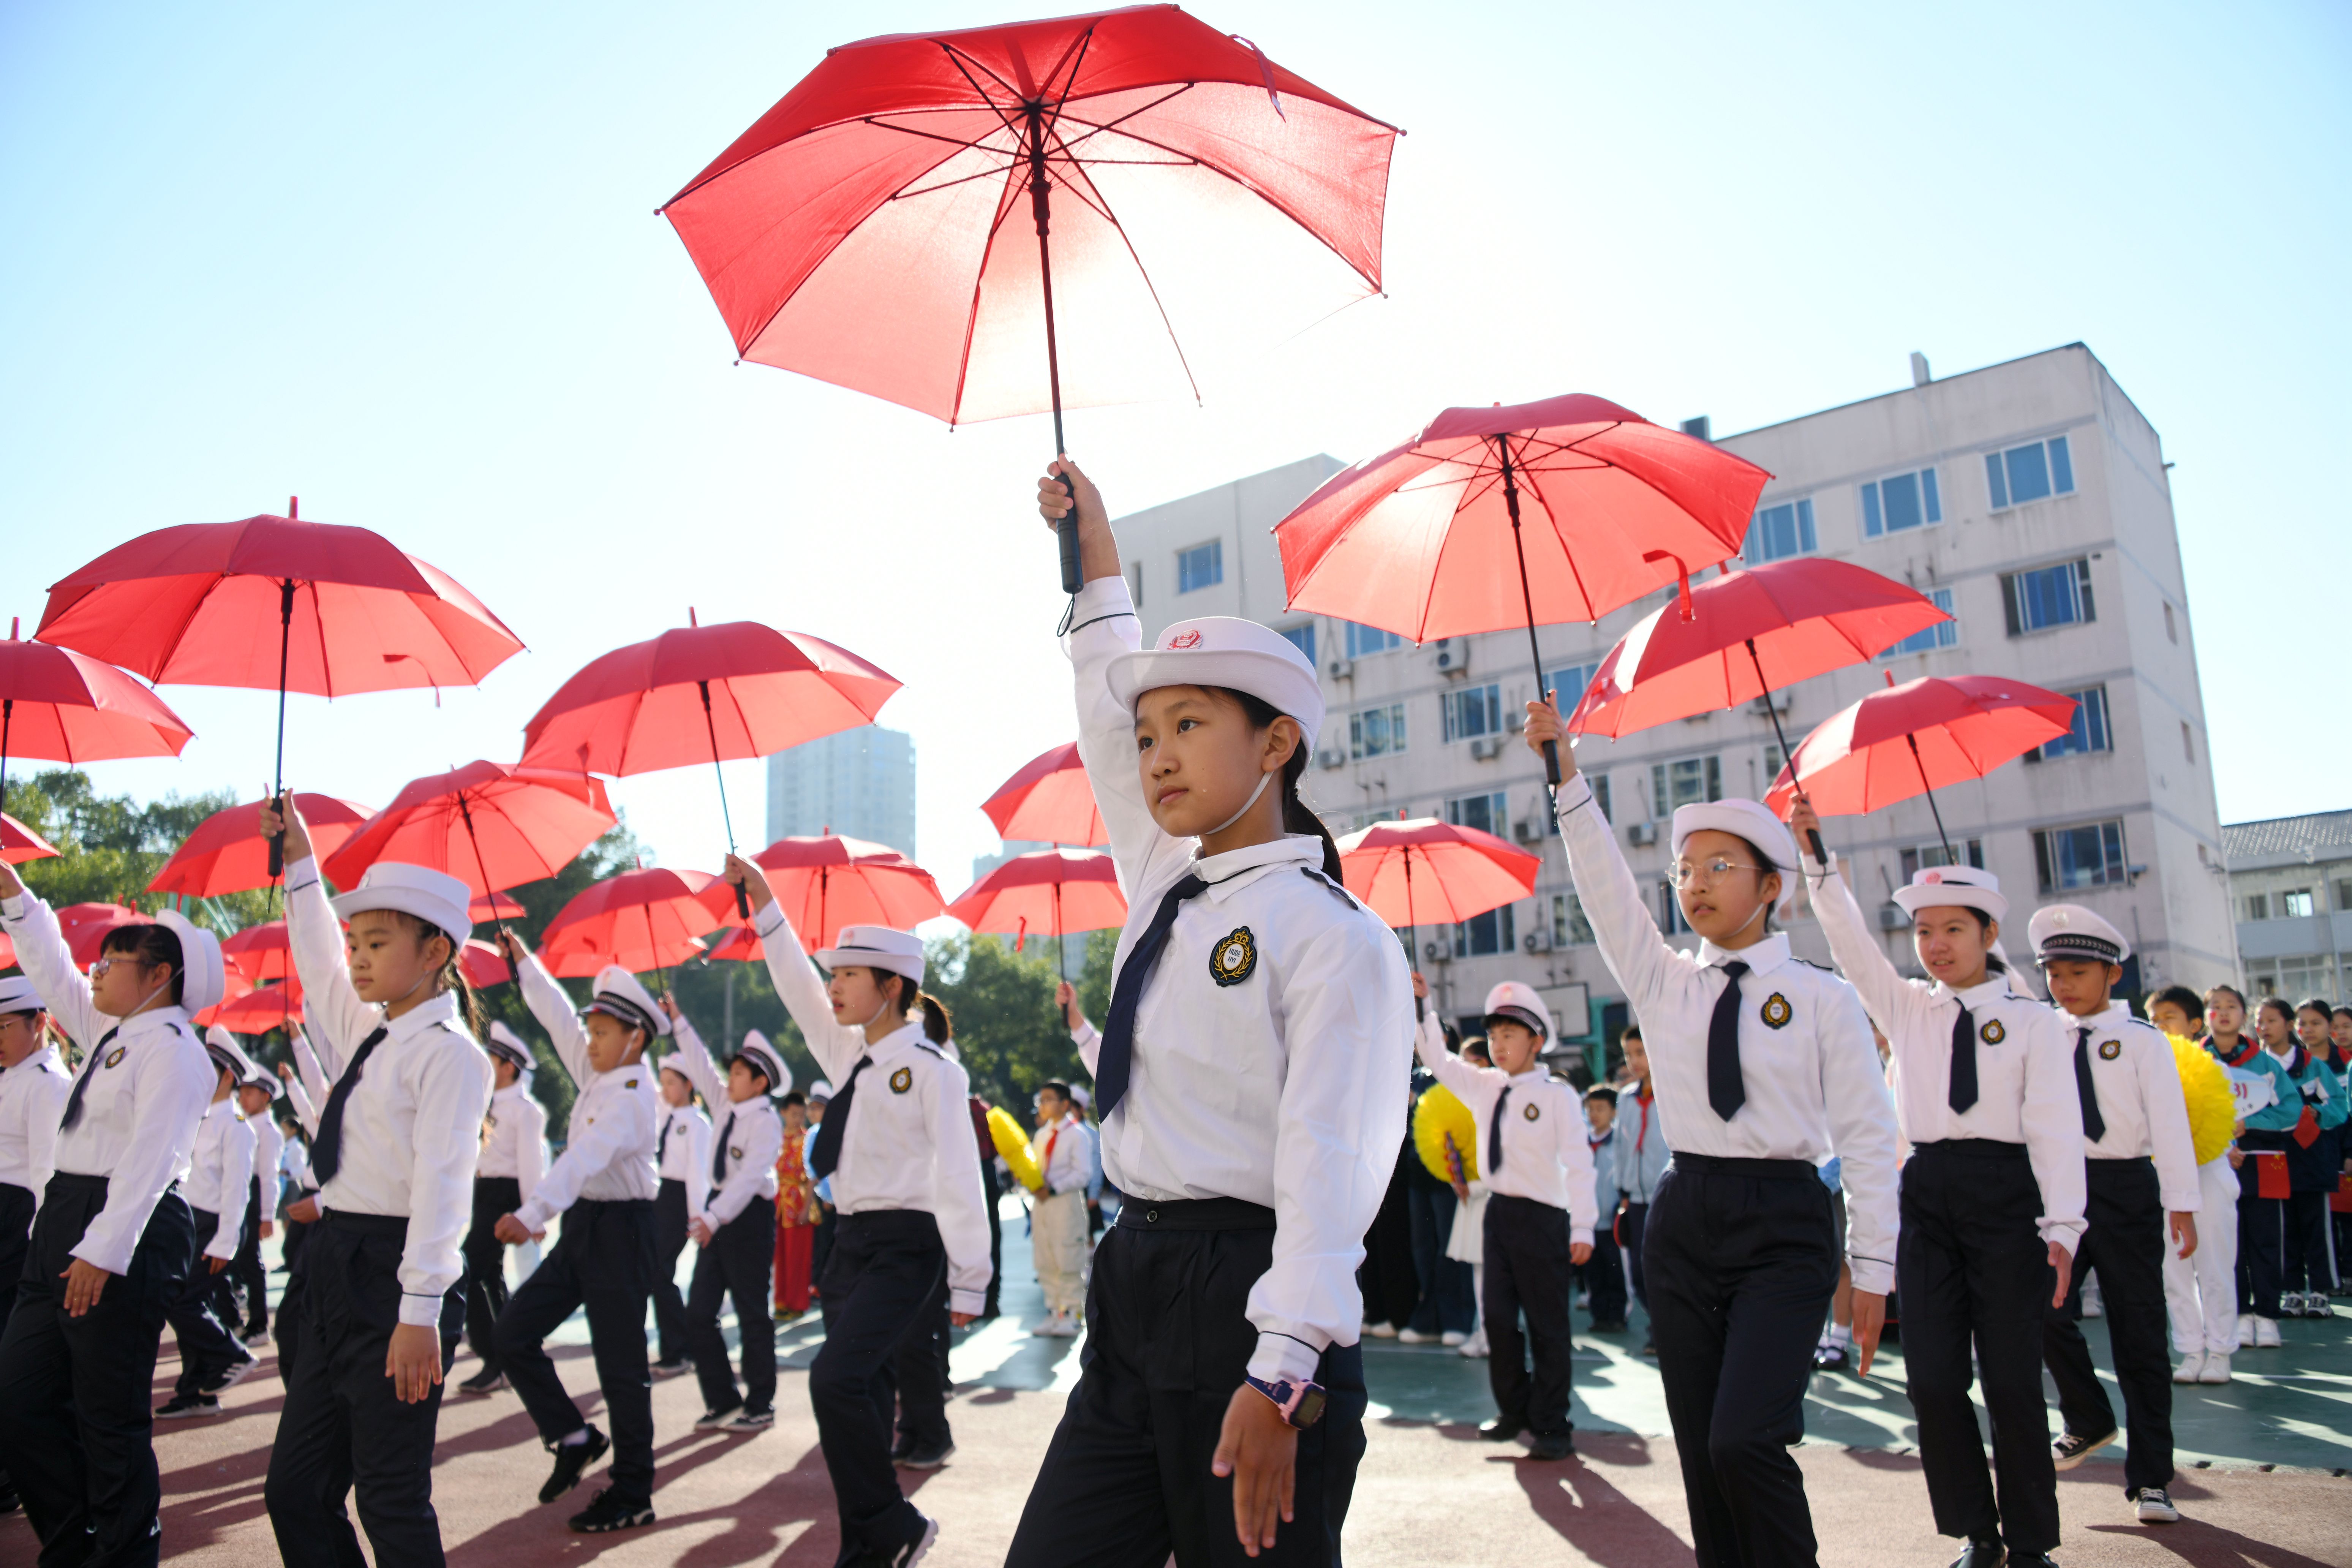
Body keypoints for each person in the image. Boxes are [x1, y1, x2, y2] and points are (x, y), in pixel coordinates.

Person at [1007, 457, 1413, 1567]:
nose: (1157, 754)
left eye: (1190, 724)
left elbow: (1333, 1162)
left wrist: (1283, 1368)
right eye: (1150, 737)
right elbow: (1100, 689)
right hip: (1132, 1278)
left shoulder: (1335, 936)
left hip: (1256, 1295)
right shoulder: (1162, 876)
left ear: (1276, 741)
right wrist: (1090, 546)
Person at [1535, 707, 1902, 1568]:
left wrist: (1876, 1269)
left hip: (1784, 1223)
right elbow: (1605, 894)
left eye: (1718, 866)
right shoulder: (1665, 982)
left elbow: (1868, 1137)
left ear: (1771, 885)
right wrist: (1565, 777)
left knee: (1745, 1436)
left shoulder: (1820, 998)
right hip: (1685, 1216)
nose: (1693, 883)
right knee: (1702, 1452)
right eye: (1684, 869)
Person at [1789, 793, 2083, 1568]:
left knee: (2014, 1385)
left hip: (2008, 1197)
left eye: (1954, 929)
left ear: (1989, 934)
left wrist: (2064, 1227)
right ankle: (1977, 1535)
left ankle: (2030, 1543)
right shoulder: (1910, 1008)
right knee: (1933, 1382)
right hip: (1927, 1197)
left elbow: (2055, 1130)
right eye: (1923, 931)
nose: (1936, 945)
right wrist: (1819, 864)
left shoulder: (2032, 1020)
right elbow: (1853, 949)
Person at [726, 864, 991, 1568]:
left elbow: (960, 1178)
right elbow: (793, 982)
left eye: (848, 974)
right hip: (850, 1241)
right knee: (863, 1395)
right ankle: (866, 1542)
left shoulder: (934, 1069)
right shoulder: (848, 1054)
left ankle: (892, 1521)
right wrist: (764, 904)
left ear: (892, 987)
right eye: (834, 973)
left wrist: (971, 1279)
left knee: (832, 1378)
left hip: (908, 1244)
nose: (834, 986)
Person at [261, 799, 492, 1568]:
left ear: (434, 953)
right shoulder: (377, 1033)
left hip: (400, 1275)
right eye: (356, 940)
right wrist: (300, 864)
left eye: (378, 942)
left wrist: (420, 1310)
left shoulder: (451, 1054)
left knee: (388, 1496)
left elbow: (443, 1192)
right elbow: (320, 965)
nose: (356, 957)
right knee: (294, 1490)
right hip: (336, 1260)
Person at [0, 873, 219, 1568]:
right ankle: (73, 1541)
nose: (93, 972)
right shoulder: (114, 1031)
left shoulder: (175, 1046)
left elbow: (154, 1158)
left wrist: (104, 1249)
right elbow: (51, 969)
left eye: (112, 962)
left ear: (159, 976)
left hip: (126, 1224)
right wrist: (14, 896)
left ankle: (124, 1556)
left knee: (110, 1418)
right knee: (19, 1398)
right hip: (67, 1216)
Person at [2029, 906, 2200, 1526]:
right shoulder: (2038, 1033)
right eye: (2053, 973)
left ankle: (2152, 1478)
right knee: (2042, 1309)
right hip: (2054, 1188)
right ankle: (2088, 1415)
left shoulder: (2142, 1041)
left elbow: (2170, 1124)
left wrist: (2181, 1200)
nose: (2064, 984)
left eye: (2078, 971)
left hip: (2124, 1185)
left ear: (2113, 973)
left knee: (2138, 1330)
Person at [493, 941, 666, 1532]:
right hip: (587, 1227)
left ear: (635, 1038)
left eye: (602, 1032)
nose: (588, 1042)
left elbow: (585, 1156)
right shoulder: (599, 1068)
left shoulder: (634, 1095)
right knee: (512, 1333)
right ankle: (572, 1435)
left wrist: (534, 1208)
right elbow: (557, 1016)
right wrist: (524, 964)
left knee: (621, 1369)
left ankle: (634, 1490)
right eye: (590, 1031)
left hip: (623, 1231)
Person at [1412, 976, 1594, 1461]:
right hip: (1501, 1216)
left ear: (1536, 1041)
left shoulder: (1558, 1096)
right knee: (1497, 1320)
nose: (1498, 1045)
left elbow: (1580, 1163)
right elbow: (1437, 1060)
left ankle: (1554, 1423)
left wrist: (1583, 1226)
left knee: (1548, 1325)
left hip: (1545, 1219)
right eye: (1493, 1036)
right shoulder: (1486, 1086)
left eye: (1509, 1035)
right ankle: (1514, 1410)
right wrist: (1423, 1003)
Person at [665, 1005, 786, 1435]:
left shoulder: (766, 1121)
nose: (729, 1079)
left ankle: (761, 1402)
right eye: (731, 1072)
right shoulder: (725, 1106)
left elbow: (753, 1175)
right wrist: (679, 1020)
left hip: (747, 1216)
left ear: (760, 1083)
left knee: (753, 1312)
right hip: (719, 1212)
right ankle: (722, 1399)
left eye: (739, 1074)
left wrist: (714, 1216)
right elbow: (699, 1063)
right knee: (699, 1313)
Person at [156, 1029, 261, 1417]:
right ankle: (195, 1392)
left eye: (209, 1070)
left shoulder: (236, 1126)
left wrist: (225, 1243)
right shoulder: (199, 1115)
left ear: (229, 1076)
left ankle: (232, 1355)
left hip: (217, 1225)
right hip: (192, 1222)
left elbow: (238, 1190)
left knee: (181, 1303)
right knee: (192, 1305)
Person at [0, 974, 71, 1519]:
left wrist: (37, 1253)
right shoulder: (13, 1076)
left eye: (5, 1026)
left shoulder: (47, 1082)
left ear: (39, 1023)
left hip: (19, 1228)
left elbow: (49, 1175)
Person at [2148, 988, 2239, 1385]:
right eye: (2153, 1019)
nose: (2159, 1025)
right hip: (2163, 1177)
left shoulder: (2215, 1069)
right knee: (2174, 1268)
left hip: (2209, 1172)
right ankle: (2190, 1349)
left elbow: (2230, 1124)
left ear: (2194, 1024)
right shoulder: (2143, 1068)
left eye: (2169, 1017)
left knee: (2215, 1264)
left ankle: (2220, 1350)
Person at [458, 1021, 547, 1397]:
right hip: (486, 1191)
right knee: (489, 1276)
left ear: (509, 1066)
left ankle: (494, 1355)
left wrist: (534, 1214)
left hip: (506, 1196)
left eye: (492, 1060)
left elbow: (531, 1164)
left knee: (468, 1269)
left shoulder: (525, 1111)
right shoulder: (488, 1103)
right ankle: (508, 1352)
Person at [2271, 999, 2345, 1314]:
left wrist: (2315, 1113)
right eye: (2260, 1021)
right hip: (2276, 1161)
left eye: (2272, 1020)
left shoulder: (2315, 1067)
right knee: (2284, 1229)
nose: (2307, 1029)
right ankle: (2290, 1290)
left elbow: (2340, 1108)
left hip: (2312, 1158)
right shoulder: (2258, 1065)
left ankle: (2320, 1291)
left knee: (2317, 1226)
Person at [651, 1046, 713, 1369]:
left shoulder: (697, 1123)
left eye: (672, 1082)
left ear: (689, 1085)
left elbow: (697, 1173)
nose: (665, 1089)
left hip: (678, 1200)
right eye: (663, 1082)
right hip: (660, 1199)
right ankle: (676, 1348)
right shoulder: (667, 1117)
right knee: (656, 1273)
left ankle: (680, 1350)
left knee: (660, 1272)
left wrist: (696, 1217)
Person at [1612, 1024, 1668, 1351]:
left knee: (1665, 1267)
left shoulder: (1672, 1094)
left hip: (1665, 1197)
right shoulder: (1626, 1098)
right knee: (1638, 1271)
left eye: (1640, 1053)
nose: (1634, 1062)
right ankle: (1657, 1324)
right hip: (1634, 1198)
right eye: (1629, 1055)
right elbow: (1621, 1145)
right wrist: (1622, 1187)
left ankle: (1664, 1332)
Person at [225, 1056, 285, 1344]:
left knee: (251, 1262)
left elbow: (269, 1176)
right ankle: (236, 1319)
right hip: (240, 1192)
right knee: (235, 1260)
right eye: (242, 1092)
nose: (243, 1098)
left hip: (253, 1194)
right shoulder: (244, 1123)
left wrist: (266, 1215)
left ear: (266, 1096)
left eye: (250, 1093)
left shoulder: (268, 1131)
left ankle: (259, 1325)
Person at [1028, 1078, 1092, 1338]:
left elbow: (1083, 1174)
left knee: (1067, 1255)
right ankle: (1054, 1311)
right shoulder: (1042, 1135)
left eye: (1048, 1100)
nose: (1043, 1105)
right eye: (1040, 1100)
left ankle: (1073, 1313)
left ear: (1065, 1104)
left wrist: (1053, 1188)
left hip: (1064, 1202)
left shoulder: (1077, 1135)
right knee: (1045, 1256)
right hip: (1043, 1205)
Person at [1582, 1085, 1628, 1332]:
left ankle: (1618, 1316)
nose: (1594, 1114)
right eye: (1590, 1109)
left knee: (1615, 1272)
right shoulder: (1582, 1143)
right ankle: (1599, 1316)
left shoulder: (1618, 1142)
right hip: (1590, 1222)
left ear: (1613, 1112)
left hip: (1612, 1222)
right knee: (1594, 1273)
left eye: (1601, 1109)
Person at [774, 1090, 818, 1320]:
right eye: (793, 1114)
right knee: (779, 1256)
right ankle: (781, 1301)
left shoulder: (808, 1139)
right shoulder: (777, 1137)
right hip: (777, 1202)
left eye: (801, 1114)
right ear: (783, 1113)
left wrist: (806, 1207)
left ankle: (797, 1302)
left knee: (798, 1256)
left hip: (798, 1201)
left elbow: (812, 1176)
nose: (798, 1119)